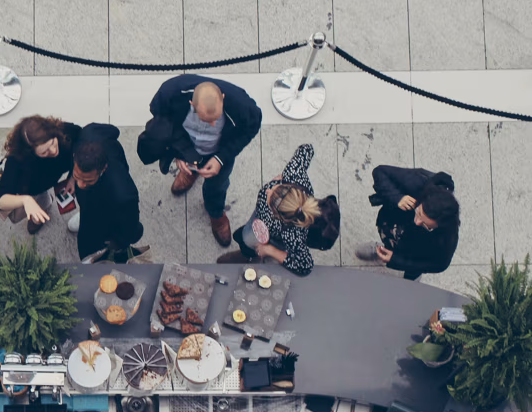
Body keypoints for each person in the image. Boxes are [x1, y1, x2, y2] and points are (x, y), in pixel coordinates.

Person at [137, 75, 263, 247]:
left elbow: (251, 128)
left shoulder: (242, 105)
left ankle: (216, 213)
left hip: (218, 153)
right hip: (187, 147)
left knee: (217, 185)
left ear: (223, 99)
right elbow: (163, 123)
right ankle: (190, 174)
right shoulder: (171, 93)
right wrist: (179, 152)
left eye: (216, 119)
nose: (212, 125)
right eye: (206, 119)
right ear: (192, 104)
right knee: (190, 168)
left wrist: (221, 158)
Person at [217, 144, 333, 277]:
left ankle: (249, 255)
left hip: (271, 235)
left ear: (280, 217)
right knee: (246, 236)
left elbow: (305, 266)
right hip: (261, 219)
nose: (268, 190)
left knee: (249, 240)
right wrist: (284, 175)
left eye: (270, 199)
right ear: (290, 186)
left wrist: (270, 250)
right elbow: (307, 149)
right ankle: (247, 253)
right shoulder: (294, 173)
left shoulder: (292, 235)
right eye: (277, 188)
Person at [357, 165, 460, 280]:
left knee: (412, 273)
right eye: (418, 213)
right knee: (390, 241)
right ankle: (380, 250)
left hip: (415, 253)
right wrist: (398, 198)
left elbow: (439, 265)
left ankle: (410, 277)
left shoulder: (448, 237)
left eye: (426, 225)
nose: (417, 222)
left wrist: (395, 260)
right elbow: (380, 172)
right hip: (395, 222)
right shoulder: (419, 183)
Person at [0, 115, 82, 235]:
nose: (53, 151)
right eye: (44, 152)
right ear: (30, 153)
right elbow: (1, 201)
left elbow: (82, 143)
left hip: (54, 175)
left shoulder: (66, 131)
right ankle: (44, 204)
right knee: (39, 204)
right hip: (34, 187)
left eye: (52, 142)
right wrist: (26, 200)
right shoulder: (16, 161)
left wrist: (73, 176)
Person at [72, 124, 146, 263]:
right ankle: (84, 214)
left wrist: (115, 244)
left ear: (103, 169)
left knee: (90, 247)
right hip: (93, 200)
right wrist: (71, 178)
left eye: (87, 180)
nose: (80, 185)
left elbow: (129, 228)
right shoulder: (88, 134)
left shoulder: (123, 196)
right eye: (78, 177)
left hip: (108, 212)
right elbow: (114, 131)